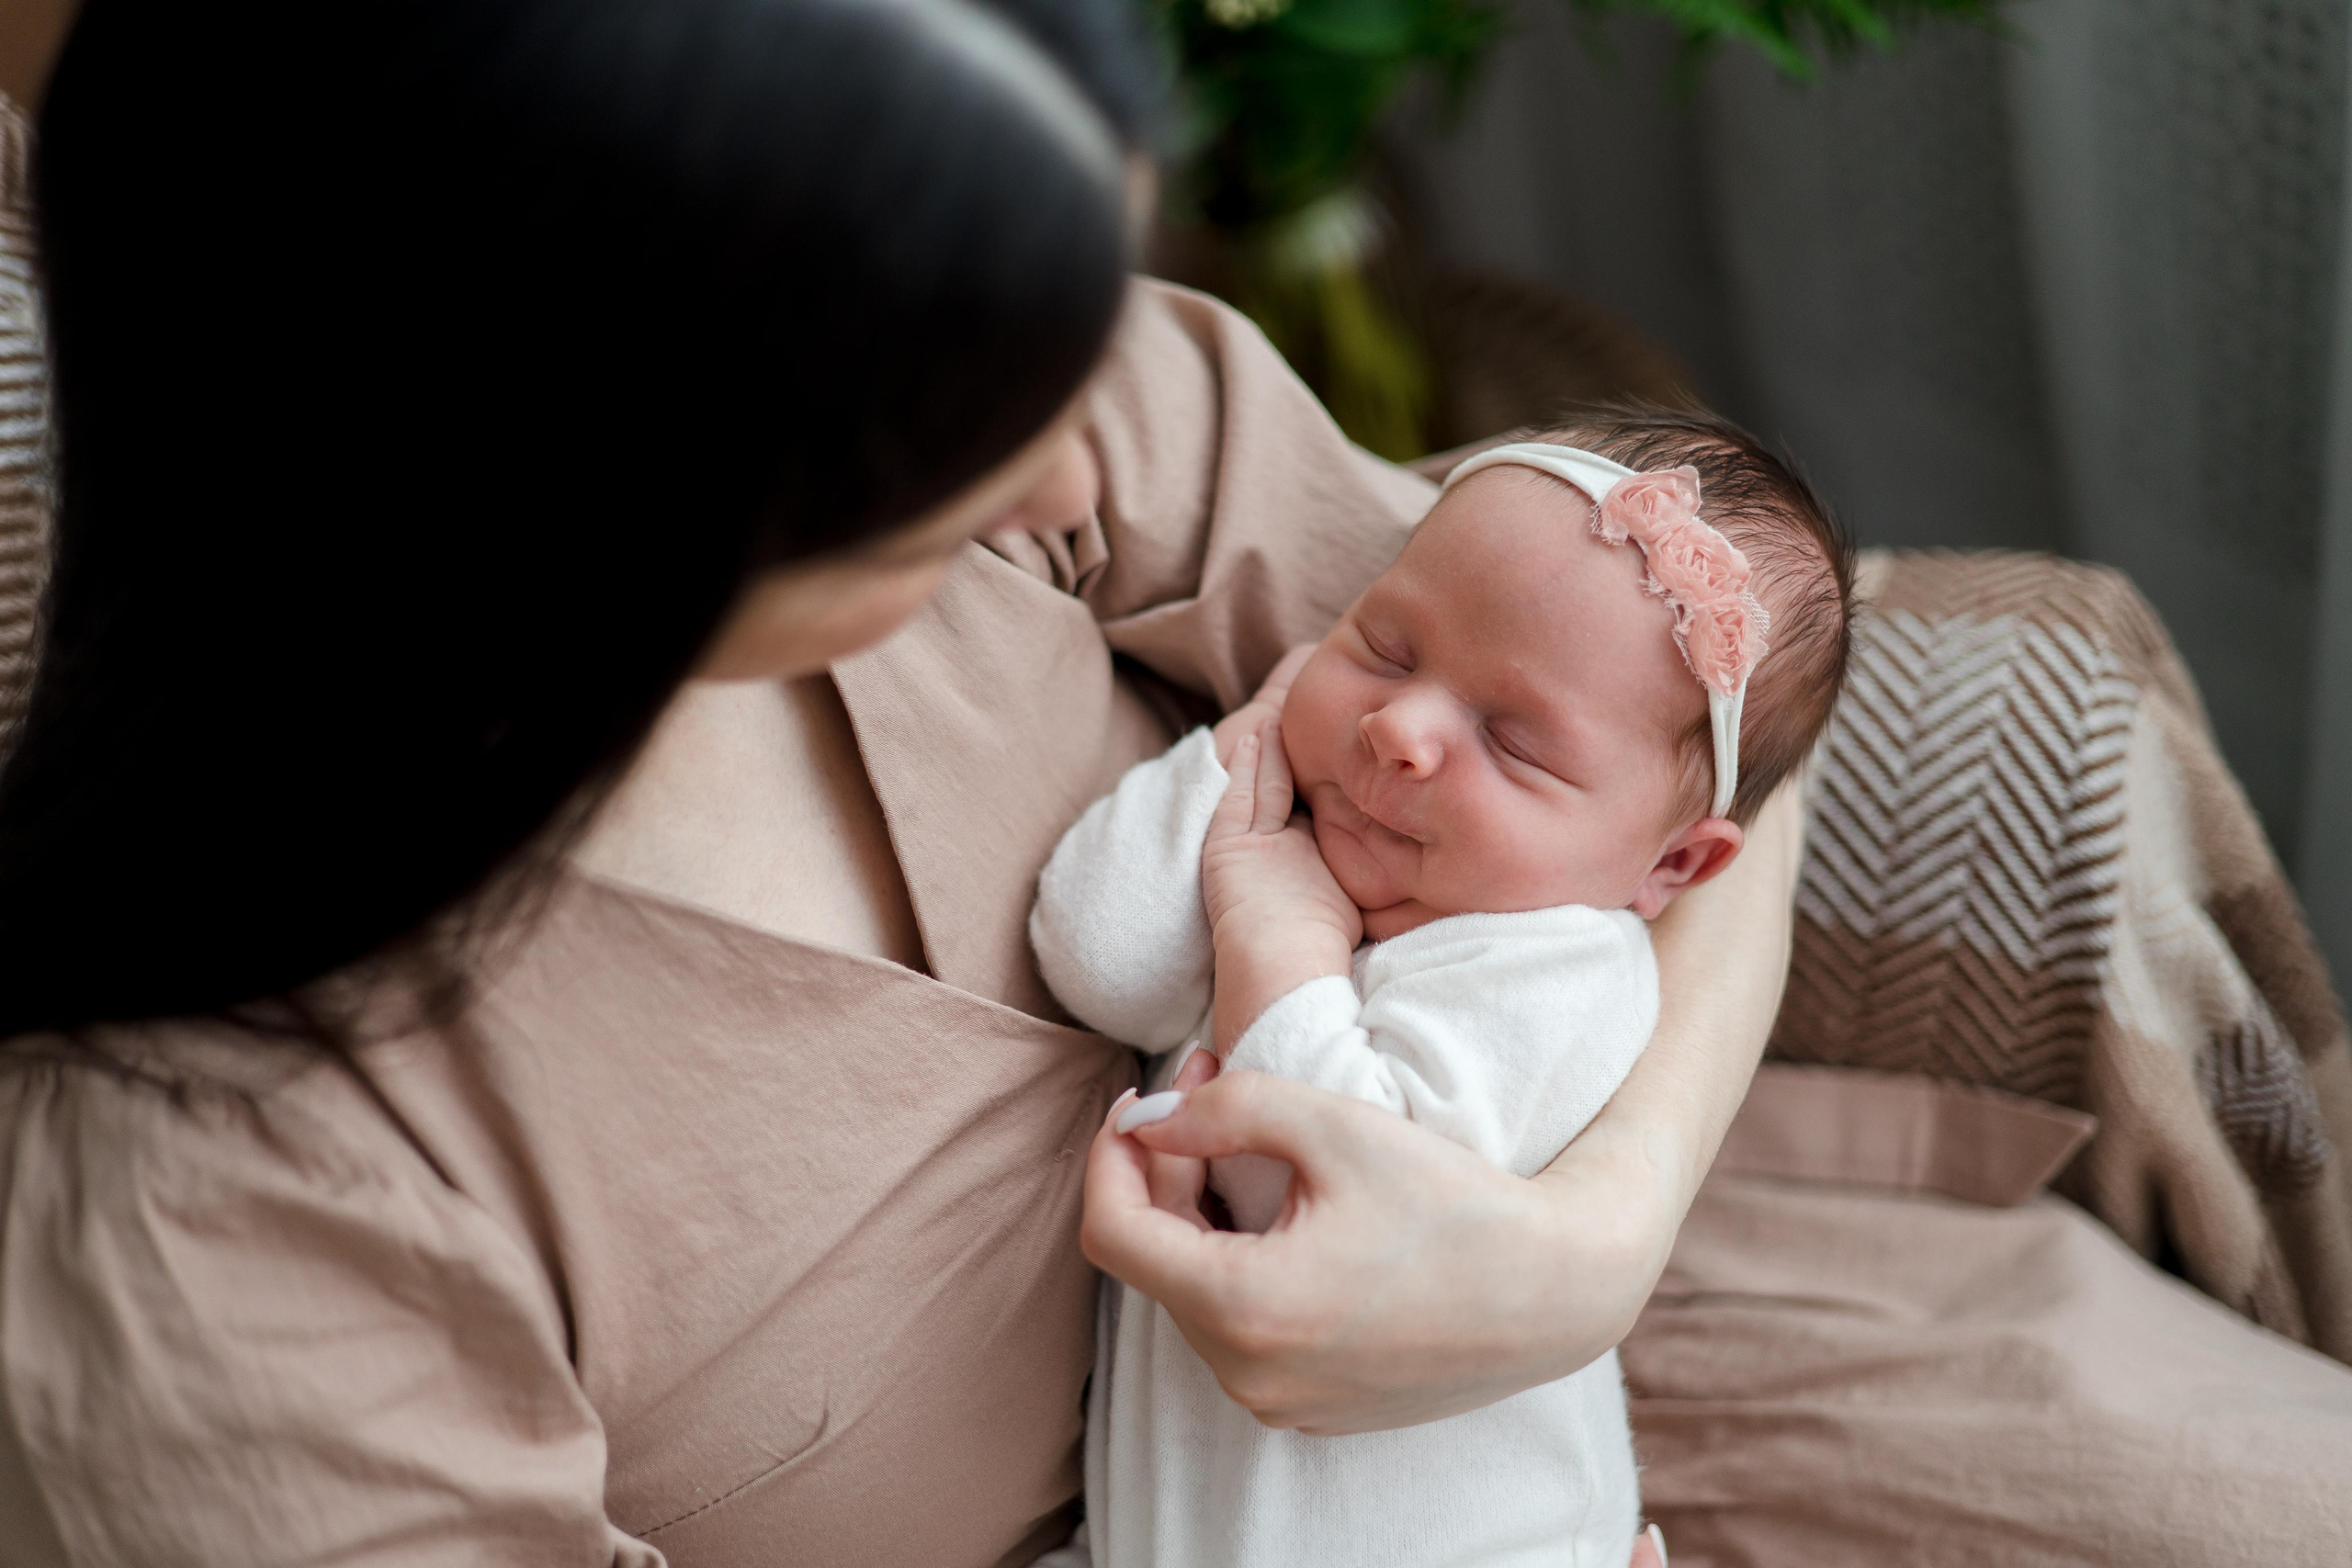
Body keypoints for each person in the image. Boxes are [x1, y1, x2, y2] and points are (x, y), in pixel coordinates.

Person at [0, 2, 1802, 1564]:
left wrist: (1581, 1247)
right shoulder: (229, 1216)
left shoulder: (981, 305)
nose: (1057, 474)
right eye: (961, 428)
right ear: (585, 464)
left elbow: (1708, 733)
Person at [1032, 413, 1852, 1564]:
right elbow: (1100, 963)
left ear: (1670, 865)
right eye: (1384, 646)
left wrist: (1270, 926)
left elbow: (1302, 1187)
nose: (1399, 730)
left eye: (1515, 746)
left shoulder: (1558, 969)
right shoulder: (1294, 841)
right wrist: (1257, 737)